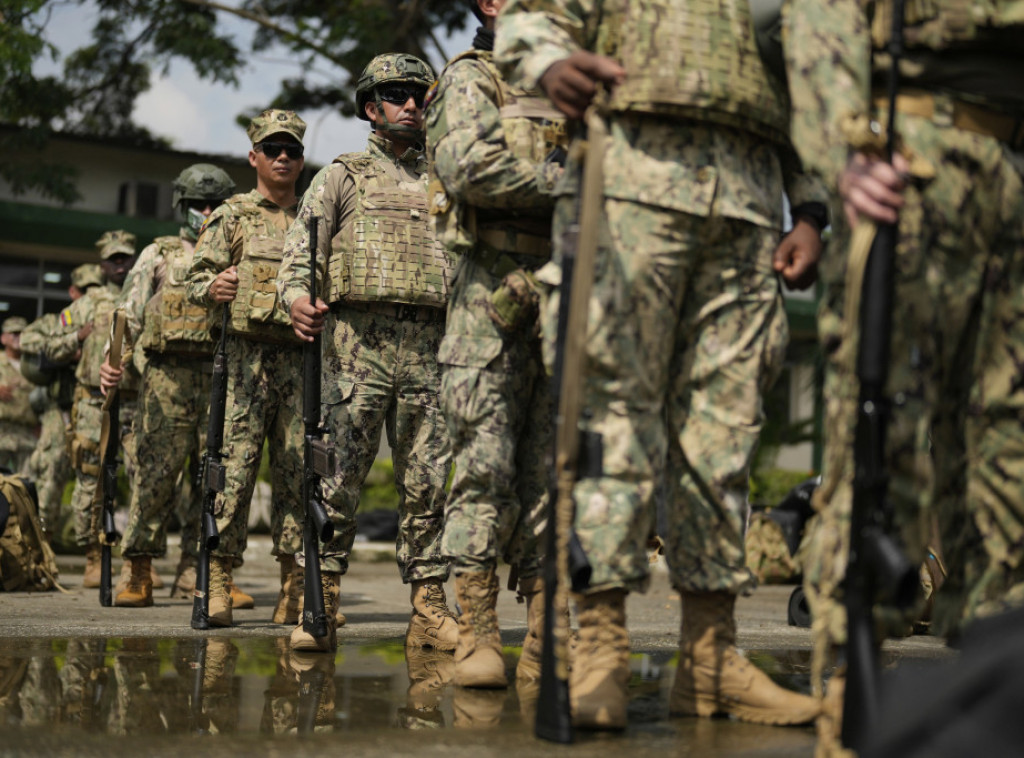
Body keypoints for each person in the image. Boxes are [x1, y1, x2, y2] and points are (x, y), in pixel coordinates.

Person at [495, 0, 827, 730]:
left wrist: (809, 208)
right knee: (613, 416)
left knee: (726, 430)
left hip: (747, 204)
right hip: (632, 179)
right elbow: (530, 15)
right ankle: (602, 650)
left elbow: (798, 72)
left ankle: (712, 662)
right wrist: (552, 61)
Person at [782, 0, 1024, 746]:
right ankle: (848, 698)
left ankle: (993, 681)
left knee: (1007, 446)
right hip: (906, 161)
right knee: (880, 451)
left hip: (1008, 174)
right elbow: (819, 20)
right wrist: (838, 152)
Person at [278, 53, 456, 653]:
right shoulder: (343, 175)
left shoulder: (448, 177)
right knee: (338, 479)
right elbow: (300, 254)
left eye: (418, 94)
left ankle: (430, 607)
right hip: (357, 347)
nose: (411, 103)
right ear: (370, 107)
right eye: (397, 94)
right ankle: (320, 599)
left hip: (433, 345)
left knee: (429, 480)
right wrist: (296, 298)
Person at [425, 0, 566, 689]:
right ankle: (480, 636)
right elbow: (469, 168)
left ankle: (546, 635)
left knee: (556, 477)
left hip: (569, 298)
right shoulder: (473, 77)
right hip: (489, 302)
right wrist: (565, 183)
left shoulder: (576, 81)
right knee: (482, 469)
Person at [186, 110, 307, 627]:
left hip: (301, 366)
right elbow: (196, 277)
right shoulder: (233, 214)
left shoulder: (316, 215)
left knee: (300, 474)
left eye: (292, 150)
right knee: (230, 474)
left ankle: (297, 587)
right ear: (253, 155)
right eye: (272, 148)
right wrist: (213, 288)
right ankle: (216, 580)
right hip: (242, 365)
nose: (283, 157)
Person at [99, 164, 237, 606]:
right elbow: (129, 312)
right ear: (183, 205)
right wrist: (113, 359)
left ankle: (199, 571)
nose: (207, 211)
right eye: (199, 204)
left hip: (220, 377)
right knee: (156, 478)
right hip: (166, 380)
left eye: (215, 204)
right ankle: (138, 567)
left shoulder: (235, 254)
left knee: (215, 481)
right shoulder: (159, 253)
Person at [41, 231, 137, 587]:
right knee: (90, 480)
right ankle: (94, 557)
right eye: (113, 259)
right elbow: (50, 346)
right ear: (102, 264)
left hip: (134, 402)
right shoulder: (86, 303)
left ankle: (138, 560)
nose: (120, 264)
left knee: (144, 477)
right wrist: (76, 338)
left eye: (125, 257)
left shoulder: (142, 296)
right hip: (92, 404)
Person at [19, 264, 103, 540]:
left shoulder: (105, 317)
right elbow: (27, 340)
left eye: (95, 290)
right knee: (52, 470)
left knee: (93, 474)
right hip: (62, 408)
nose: (90, 296)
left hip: (94, 407)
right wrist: (69, 346)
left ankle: (90, 542)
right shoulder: (58, 321)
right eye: (84, 291)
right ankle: (40, 539)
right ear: (72, 292)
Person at [0, 317, 37, 474]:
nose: (18, 337)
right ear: (3, 338)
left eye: (22, 333)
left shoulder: (34, 365)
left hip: (26, 434)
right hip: (2, 431)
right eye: (14, 333)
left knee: (25, 486)